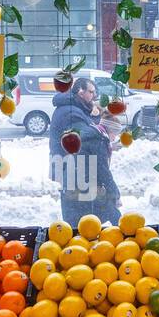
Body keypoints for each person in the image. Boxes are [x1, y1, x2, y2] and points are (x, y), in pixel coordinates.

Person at [48, 76, 121, 226]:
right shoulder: (71, 113)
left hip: (74, 172)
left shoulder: (73, 108)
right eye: (91, 92)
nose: (94, 96)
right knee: (86, 220)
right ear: (80, 92)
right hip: (76, 173)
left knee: (84, 221)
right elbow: (82, 141)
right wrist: (99, 141)